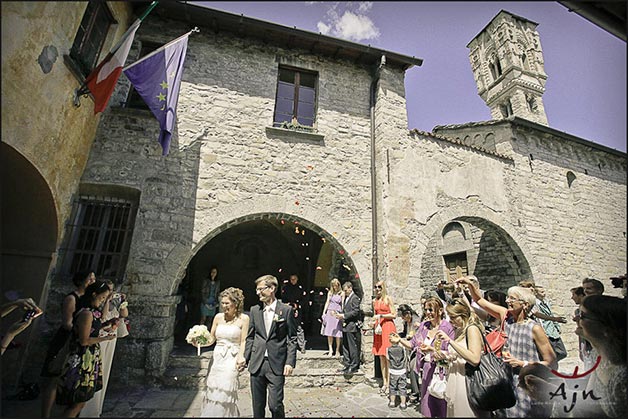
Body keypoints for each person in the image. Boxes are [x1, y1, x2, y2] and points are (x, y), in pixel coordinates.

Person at [456, 276, 557, 418]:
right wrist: (471, 285)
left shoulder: (535, 329)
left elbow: (551, 362)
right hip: (507, 381)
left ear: (525, 304)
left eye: (512, 298)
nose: (507, 301)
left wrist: (523, 364)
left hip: (528, 384)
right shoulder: (505, 316)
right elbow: (480, 301)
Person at [521, 294, 626, 418]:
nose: (575, 319)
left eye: (582, 316)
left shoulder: (623, 374)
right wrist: (550, 389)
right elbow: (591, 400)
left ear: (606, 328)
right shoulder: (597, 355)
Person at [56, 281, 115, 417]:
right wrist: (104, 339)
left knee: (80, 401)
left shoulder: (93, 313)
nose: (102, 301)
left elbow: (94, 327)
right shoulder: (86, 314)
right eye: (101, 298)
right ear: (94, 295)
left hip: (88, 358)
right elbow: (84, 340)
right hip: (81, 360)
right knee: (77, 401)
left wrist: (106, 327)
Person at [241, 274, 297, 419]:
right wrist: (245, 358)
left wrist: (290, 362)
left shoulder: (285, 310)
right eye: (257, 290)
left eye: (261, 289)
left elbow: (292, 338)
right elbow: (250, 337)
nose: (257, 292)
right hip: (257, 363)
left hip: (276, 364)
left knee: (275, 405)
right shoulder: (254, 310)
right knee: (257, 407)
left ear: (272, 288)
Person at [41, 271, 95, 418]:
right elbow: (67, 323)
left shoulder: (88, 299)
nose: (92, 280)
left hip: (78, 343)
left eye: (94, 278)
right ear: (81, 280)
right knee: (54, 380)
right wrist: (83, 332)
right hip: (67, 341)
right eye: (90, 278)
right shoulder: (72, 298)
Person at [194, 287, 250, 417]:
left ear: (235, 303)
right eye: (222, 303)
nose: (224, 306)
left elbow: (243, 341)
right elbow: (212, 339)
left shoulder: (244, 319)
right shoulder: (218, 317)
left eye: (227, 303)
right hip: (217, 358)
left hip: (232, 358)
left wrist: (241, 357)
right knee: (214, 389)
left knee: (226, 389)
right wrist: (199, 343)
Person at [395, 296, 454, 417]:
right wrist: (399, 340)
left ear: (440, 311)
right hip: (427, 370)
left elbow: (451, 352)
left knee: (442, 404)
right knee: (427, 405)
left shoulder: (447, 328)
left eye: (431, 310)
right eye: (426, 309)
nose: (427, 313)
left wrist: (432, 350)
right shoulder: (424, 326)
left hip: (442, 371)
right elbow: (412, 344)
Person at [80, 281, 129, 417]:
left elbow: (124, 314)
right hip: (98, 339)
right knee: (92, 374)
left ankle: (96, 408)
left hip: (109, 336)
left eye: (112, 290)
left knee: (104, 371)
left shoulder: (115, 300)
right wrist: (107, 301)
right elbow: (102, 316)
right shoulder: (92, 308)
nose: (110, 293)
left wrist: (123, 301)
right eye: (107, 292)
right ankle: (86, 409)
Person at [434, 298, 487, 418]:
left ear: (462, 315)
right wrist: (445, 356)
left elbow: (474, 359)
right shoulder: (459, 330)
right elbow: (459, 354)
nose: (451, 321)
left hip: (467, 380)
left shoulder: (472, 329)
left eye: (453, 317)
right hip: (456, 376)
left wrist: (450, 341)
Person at [371, 280, 397, 396]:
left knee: (388, 357)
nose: (377, 289)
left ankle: (390, 383)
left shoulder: (388, 299)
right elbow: (374, 315)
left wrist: (381, 316)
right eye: (376, 287)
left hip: (388, 327)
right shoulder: (374, 301)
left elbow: (394, 314)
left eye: (379, 287)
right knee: (381, 356)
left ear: (384, 288)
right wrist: (372, 323)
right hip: (379, 328)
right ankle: (384, 382)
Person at [531, 284, 568, 362]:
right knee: (551, 354)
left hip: (552, 331)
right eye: (541, 292)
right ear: (536, 293)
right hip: (545, 331)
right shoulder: (535, 304)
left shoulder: (546, 302)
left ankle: (551, 364)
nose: (544, 293)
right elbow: (538, 316)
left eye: (544, 291)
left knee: (562, 353)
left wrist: (556, 325)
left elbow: (551, 313)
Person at [332, 281, 361, 374]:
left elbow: (355, 311)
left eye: (346, 290)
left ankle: (354, 365)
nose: (345, 292)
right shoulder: (347, 298)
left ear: (350, 288)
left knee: (352, 346)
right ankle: (347, 363)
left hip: (351, 325)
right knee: (345, 346)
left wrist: (344, 316)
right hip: (345, 325)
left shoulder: (355, 298)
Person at [397, 304, 421, 404]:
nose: (402, 318)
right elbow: (405, 332)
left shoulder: (416, 321)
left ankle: (416, 393)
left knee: (413, 368)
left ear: (408, 313)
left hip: (418, 348)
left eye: (403, 316)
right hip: (410, 347)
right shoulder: (407, 322)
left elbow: (418, 335)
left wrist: (410, 337)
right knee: (411, 368)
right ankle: (415, 391)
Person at [281, 274, 307, 353]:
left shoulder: (300, 288)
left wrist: (298, 305)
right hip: (288, 308)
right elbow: (283, 298)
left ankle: (302, 346)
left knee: (298, 327)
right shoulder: (286, 288)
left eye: (294, 279)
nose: (293, 281)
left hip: (297, 309)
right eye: (291, 279)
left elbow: (304, 299)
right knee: (286, 326)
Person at [320, 278, 343, 357]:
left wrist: (342, 314)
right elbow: (327, 302)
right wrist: (324, 312)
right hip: (330, 312)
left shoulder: (341, 293)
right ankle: (330, 349)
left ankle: (337, 350)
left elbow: (342, 304)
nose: (335, 287)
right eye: (333, 286)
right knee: (329, 333)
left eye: (336, 286)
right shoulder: (330, 293)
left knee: (337, 333)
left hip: (337, 313)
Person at [386, 337, 409, 410]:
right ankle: (403, 403)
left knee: (392, 387)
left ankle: (392, 402)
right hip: (402, 370)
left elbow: (388, 358)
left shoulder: (388, 349)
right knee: (402, 387)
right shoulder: (402, 349)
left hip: (393, 370)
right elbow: (405, 357)